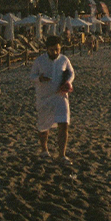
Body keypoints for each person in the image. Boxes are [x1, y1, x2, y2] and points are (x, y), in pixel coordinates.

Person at [30, 36, 75, 164]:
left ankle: (62, 154)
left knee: (64, 123)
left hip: (60, 96)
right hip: (44, 97)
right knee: (44, 125)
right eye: (52, 50)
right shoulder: (39, 61)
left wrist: (68, 82)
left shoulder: (64, 59)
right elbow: (32, 75)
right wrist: (40, 78)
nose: (55, 52)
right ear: (47, 49)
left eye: (57, 49)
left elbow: (71, 73)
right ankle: (44, 150)